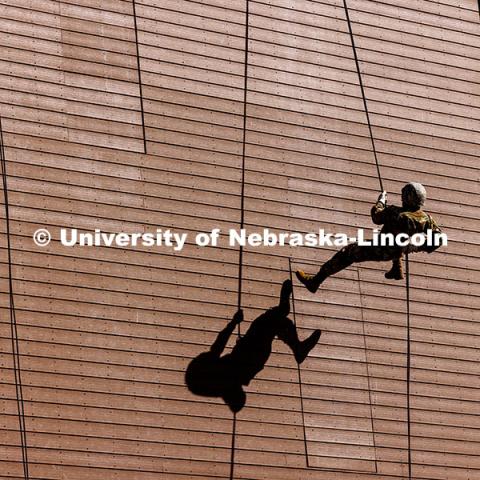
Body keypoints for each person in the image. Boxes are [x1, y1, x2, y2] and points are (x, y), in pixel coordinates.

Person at [185, 280, 321, 412]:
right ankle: (296, 344)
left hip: (254, 351)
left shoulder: (221, 380)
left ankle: (295, 341)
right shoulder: (219, 376)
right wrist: (233, 323)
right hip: (252, 348)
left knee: (274, 321)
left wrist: (235, 327)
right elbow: (218, 346)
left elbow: (219, 349)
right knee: (272, 321)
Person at [296, 182, 443, 293]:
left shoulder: (396, 213)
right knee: (398, 236)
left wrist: (381, 201)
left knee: (347, 253)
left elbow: (376, 217)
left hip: (382, 248)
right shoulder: (427, 219)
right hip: (398, 249)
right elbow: (439, 239)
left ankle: (314, 282)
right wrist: (417, 247)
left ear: (408, 198)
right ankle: (396, 268)